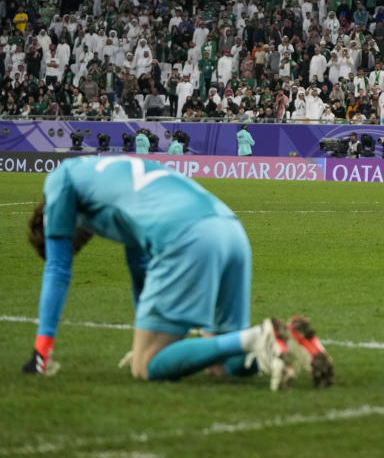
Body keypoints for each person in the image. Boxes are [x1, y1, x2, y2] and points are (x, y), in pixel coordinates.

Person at [21, 156, 333, 389]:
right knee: (222, 366)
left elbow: (58, 269)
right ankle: (287, 337)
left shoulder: (61, 179)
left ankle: (258, 335)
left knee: (146, 366)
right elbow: (140, 267)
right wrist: (145, 332)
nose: (76, 245)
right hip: (230, 229)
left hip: (186, 238)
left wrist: (41, 352)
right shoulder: (112, 178)